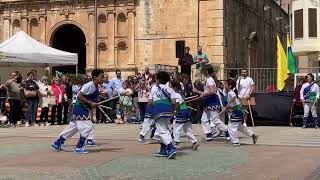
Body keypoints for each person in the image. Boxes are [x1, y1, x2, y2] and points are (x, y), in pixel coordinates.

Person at [51, 69, 104, 154]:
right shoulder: (88, 85)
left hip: (84, 108)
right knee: (88, 127)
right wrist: (91, 103)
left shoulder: (97, 87)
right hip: (80, 108)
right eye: (101, 77)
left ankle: (57, 143)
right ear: (95, 77)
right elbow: (79, 96)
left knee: (73, 128)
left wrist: (93, 104)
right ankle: (79, 147)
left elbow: (89, 98)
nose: (103, 79)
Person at [193, 65, 228, 141]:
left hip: (212, 102)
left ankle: (227, 131)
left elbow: (212, 91)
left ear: (207, 71)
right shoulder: (208, 79)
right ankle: (208, 134)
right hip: (208, 101)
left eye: (204, 71)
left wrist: (200, 92)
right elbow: (208, 91)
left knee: (215, 120)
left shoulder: (210, 80)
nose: (203, 73)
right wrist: (200, 93)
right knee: (204, 119)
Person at [148, 71, 177, 159]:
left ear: (158, 80)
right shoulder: (170, 89)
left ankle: (170, 147)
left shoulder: (154, 88)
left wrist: (156, 106)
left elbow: (149, 102)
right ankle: (163, 149)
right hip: (168, 110)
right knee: (165, 129)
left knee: (162, 130)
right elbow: (174, 102)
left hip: (158, 110)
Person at [224, 79, 258, 146]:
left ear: (230, 86)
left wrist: (228, 104)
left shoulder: (231, 92)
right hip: (236, 111)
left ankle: (236, 142)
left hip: (237, 112)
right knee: (240, 127)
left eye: (225, 84)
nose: (224, 86)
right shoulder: (228, 93)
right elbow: (234, 103)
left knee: (230, 128)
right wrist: (228, 107)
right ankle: (253, 135)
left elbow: (234, 97)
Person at [171, 81, 199, 150]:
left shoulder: (175, 94)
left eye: (171, 87)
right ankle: (194, 142)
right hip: (186, 112)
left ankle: (177, 142)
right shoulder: (180, 94)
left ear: (174, 87)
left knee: (176, 128)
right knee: (187, 130)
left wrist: (175, 112)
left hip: (181, 112)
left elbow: (177, 104)